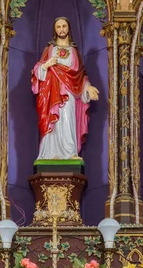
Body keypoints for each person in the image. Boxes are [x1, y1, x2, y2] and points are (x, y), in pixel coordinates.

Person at [31, 17, 99, 161]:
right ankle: (51, 153)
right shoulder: (49, 50)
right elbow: (36, 70)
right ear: (55, 30)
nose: (61, 29)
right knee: (53, 121)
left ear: (68, 28)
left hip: (70, 93)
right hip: (52, 93)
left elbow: (80, 76)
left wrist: (88, 87)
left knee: (68, 121)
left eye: (64, 26)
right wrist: (46, 65)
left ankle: (70, 152)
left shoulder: (74, 52)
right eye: (58, 27)